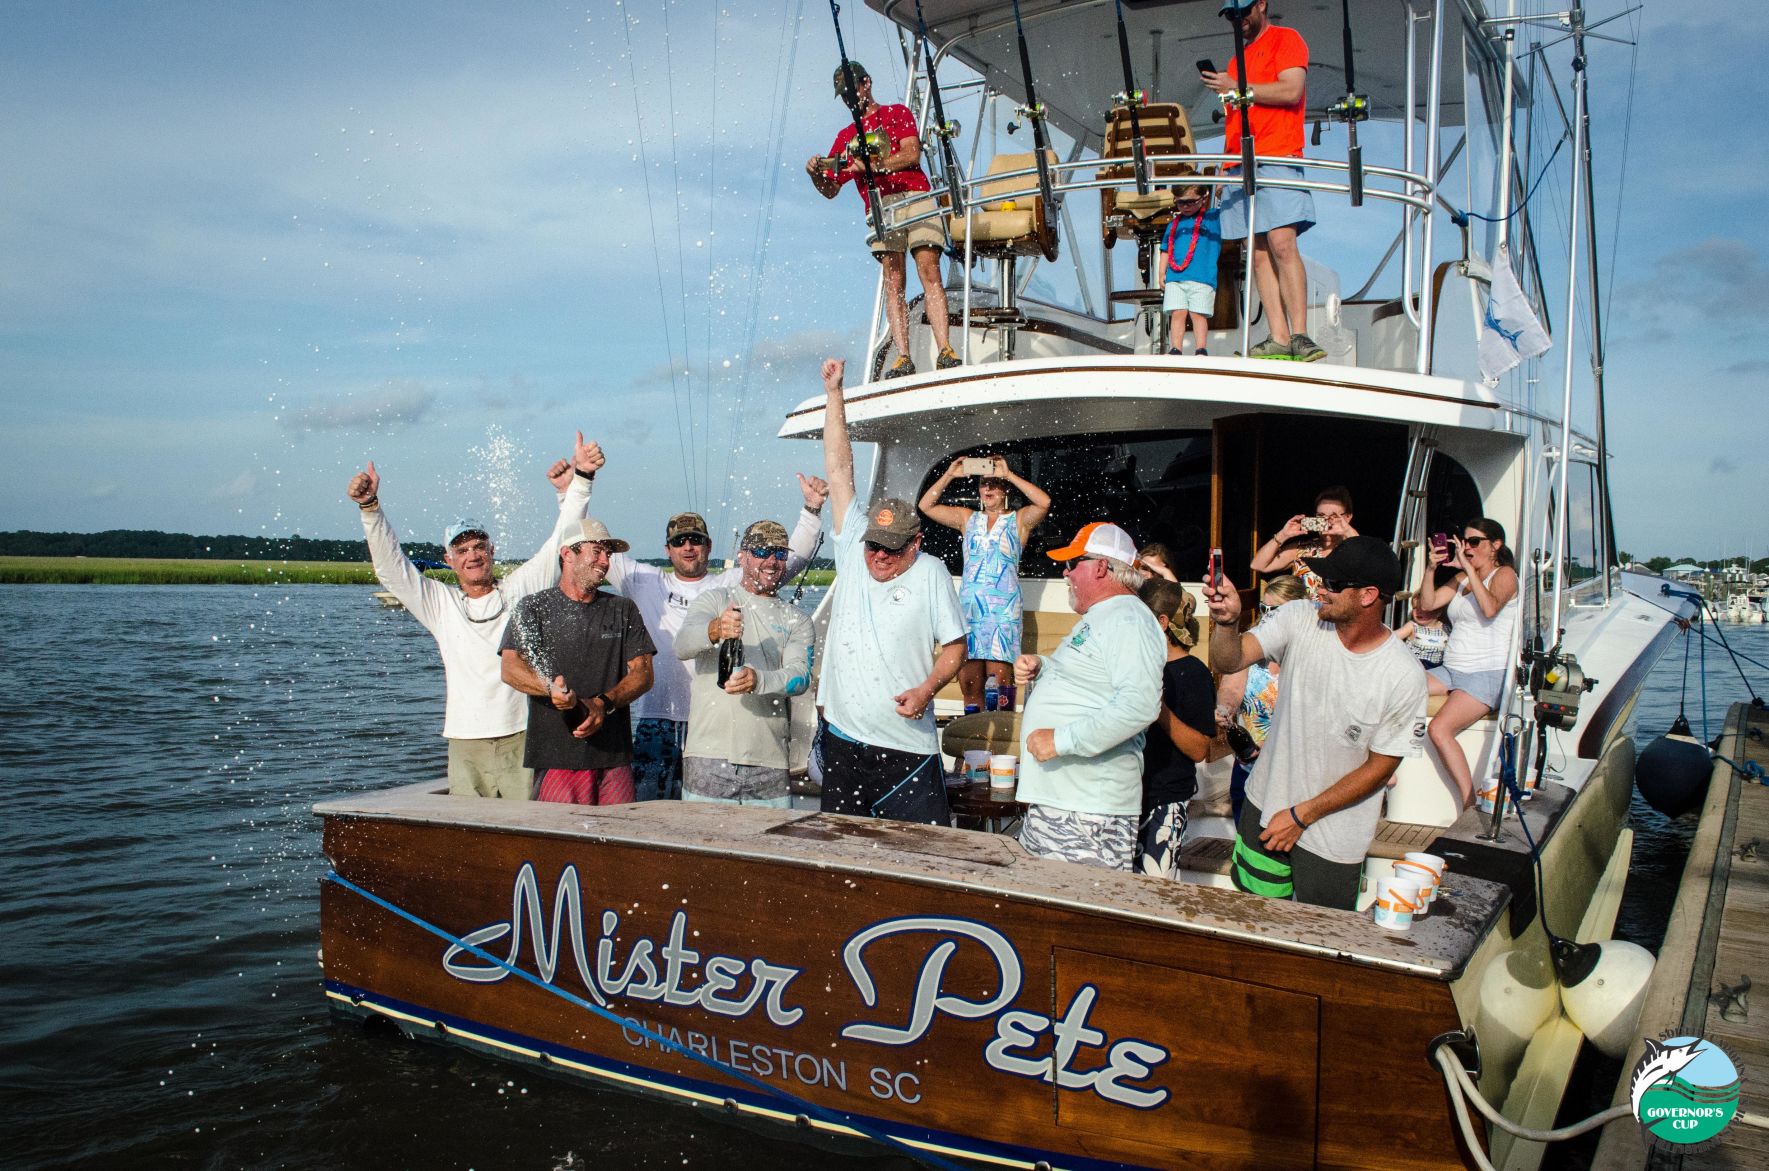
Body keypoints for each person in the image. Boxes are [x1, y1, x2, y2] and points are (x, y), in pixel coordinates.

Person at [346, 433, 601, 801]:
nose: (473, 555)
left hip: (521, 735)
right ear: (449, 560)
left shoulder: (518, 590)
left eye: (479, 546)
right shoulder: (439, 603)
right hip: (465, 741)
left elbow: (560, 541)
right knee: (467, 830)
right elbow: (391, 569)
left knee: (525, 825)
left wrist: (582, 480)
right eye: (462, 549)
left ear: (492, 550)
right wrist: (370, 508)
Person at [1205, 537, 1427, 909]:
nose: (1320, 589)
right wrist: (1227, 622)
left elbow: (1380, 768)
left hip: (1333, 836)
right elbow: (1229, 660)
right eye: (1321, 579)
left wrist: (1301, 816)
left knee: (1322, 936)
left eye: (1333, 584)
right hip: (1263, 807)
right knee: (1252, 921)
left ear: (1368, 595)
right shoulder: (1298, 617)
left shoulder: (1403, 675)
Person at [592, 471, 824, 803]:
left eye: (696, 540)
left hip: (718, 726)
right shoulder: (642, 580)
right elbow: (594, 549)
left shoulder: (729, 584)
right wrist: (577, 485)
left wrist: (812, 511)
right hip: (658, 718)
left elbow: (788, 558)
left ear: (709, 546)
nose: (688, 547)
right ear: (667, 549)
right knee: (648, 812)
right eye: (679, 541)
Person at [815, 357, 967, 822]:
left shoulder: (932, 572)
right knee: (840, 853)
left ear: (915, 543)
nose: (879, 556)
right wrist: (835, 394)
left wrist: (926, 690)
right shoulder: (851, 551)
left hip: (907, 747)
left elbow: (956, 649)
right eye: (873, 546)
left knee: (920, 853)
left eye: (892, 548)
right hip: (843, 742)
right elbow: (839, 471)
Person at [1012, 522, 1165, 871]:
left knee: (1076, 905)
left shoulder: (1129, 619)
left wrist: (1061, 740)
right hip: (1064, 803)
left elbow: (1139, 706)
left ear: (1100, 567)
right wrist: (1043, 667)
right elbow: (1092, 682)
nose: (1065, 573)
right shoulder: (1104, 615)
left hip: (1089, 811)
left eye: (1072, 564)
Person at [807, 62, 959, 379]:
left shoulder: (896, 113)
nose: (849, 100)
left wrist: (872, 166)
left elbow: (911, 154)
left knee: (929, 270)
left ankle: (945, 349)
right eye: (843, 96)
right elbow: (831, 189)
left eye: (852, 91)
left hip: (915, 196)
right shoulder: (845, 137)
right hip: (880, 206)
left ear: (867, 83)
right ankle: (903, 357)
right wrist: (815, 175)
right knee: (894, 279)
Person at [498, 519, 657, 805]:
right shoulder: (533, 607)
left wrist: (603, 704)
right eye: (597, 551)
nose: (605, 561)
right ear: (567, 554)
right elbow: (510, 668)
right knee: (557, 834)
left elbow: (643, 674)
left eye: (608, 554)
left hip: (614, 757)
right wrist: (550, 689)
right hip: (556, 758)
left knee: (619, 833)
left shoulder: (623, 608)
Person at [1203, 0, 1325, 362]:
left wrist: (1239, 87)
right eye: (1231, 15)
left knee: (1282, 242)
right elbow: (1234, 121)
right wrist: (1224, 168)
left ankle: (1300, 336)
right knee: (1255, 253)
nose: (1237, 20)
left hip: (1277, 154)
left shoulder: (1287, 39)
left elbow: (1291, 90)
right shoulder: (1234, 63)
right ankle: (1278, 337)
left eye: (1243, 11)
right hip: (1238, 165)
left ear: (1261, 4)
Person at [673, 520, 816, 808]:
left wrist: (758, 680)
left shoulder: (797, 620)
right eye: (762, 552)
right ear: (743, 556)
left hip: (770, 761)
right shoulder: (715, 600)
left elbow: (800, 677)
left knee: (770, 840)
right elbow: (682, 646)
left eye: (780, 553)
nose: (771, 561)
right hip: (708, 756)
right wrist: (716, 629)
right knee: (701, 839)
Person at [916, 455, 1052, 712]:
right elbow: (926, 505)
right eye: (983, 483)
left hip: (1003, 613)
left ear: (1005, 490)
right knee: (969, 683)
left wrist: (1009, 474)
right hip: (970, 611)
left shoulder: (1018, 520)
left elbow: (1044, 502)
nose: (988, 488)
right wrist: (949, 475)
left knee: (1000, 684)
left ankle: (1000, 734)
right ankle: (973, 735)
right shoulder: (967, 518)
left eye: (994, 483)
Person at [1416, 518, 1520, 807]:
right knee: (1394, 688)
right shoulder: (1462, 578)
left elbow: (1490, 608)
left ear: (1495, 545)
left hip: (1485, 673)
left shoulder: (1505, 575)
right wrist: (1431, 568)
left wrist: (1469, 569)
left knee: (1439, 729)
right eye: (1464, 541)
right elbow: (1427, 604)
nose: (1467, 547)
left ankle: (1468, 803)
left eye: (1474, 542)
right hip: (1451, 669)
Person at [1135, 578, 1218, 878]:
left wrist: (1159, 710)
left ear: (1162, 622)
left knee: (1152, 895)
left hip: (1164, 802)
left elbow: (1199, 749)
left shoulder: (1193, 674)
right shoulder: (1137, 664)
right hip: (1126, 796)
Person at [1215, 573, 1308, 822]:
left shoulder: (1310, 653)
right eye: (1263, 608)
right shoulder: (1252, 643)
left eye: (1275, 610)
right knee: (1245, 838)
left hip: (1293, 775)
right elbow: (1231, 687)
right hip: (1249, 767)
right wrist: (1224, 709)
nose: (1266, 616)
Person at [1249, 485, 1356, 596]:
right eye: (1321, 516)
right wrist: (1283, 535)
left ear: (1348, 517)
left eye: (1334, 516)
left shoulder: (1354, 550)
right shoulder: (1302, 550)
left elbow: (1365, 564)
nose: (1327, 521)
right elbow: (1257, 565)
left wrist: (1348, 531)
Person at [1159, 184, 1222, 357]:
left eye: (1191, 202)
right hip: (1175, 278)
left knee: (1198, 314)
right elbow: (1165, 250)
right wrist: (1161, 272)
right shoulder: (1173, 225)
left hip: (1202, 278)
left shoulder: (1212, 218)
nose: (1186, 206)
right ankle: (1176, 348)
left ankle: (1201, 349)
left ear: (1203, 198)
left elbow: (1227, 208)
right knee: (1177, 313)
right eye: (1181, 203)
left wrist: (1221, 189)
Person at [1396, 602, 1451, 669]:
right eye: (1415, 608)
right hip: (1415, 665)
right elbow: (1392, 637)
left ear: (1438, 612)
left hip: (1437, 668)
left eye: (1424, 609)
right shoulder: (1413, 626)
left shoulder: (1446, 629)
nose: (1418, 612)